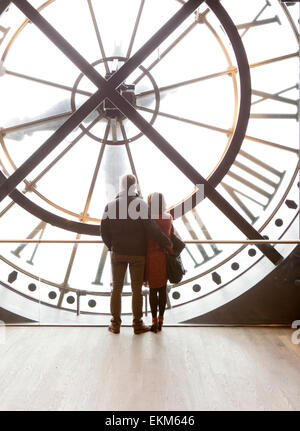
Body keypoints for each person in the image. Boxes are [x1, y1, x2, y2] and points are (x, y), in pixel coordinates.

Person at [101, 174, 172, 335]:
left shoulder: (110, 205)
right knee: (136, 291)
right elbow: (152, 228)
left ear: (121, 186)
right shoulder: (140, 205)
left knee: (116, 290)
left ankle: (115, 324)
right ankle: (137, 324)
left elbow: (103, 231)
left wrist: (112, 247)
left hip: (118, 252)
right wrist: (167, 243)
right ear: (134, 187)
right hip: (138, 254)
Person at [145, 192, 173, 333]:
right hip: (164, 257)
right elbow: (171, 236)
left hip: (151, 257)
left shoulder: (149, 219)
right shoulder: (168, 218)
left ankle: (154, 321)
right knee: (162, 289)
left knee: (152, 290)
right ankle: (161, 319)